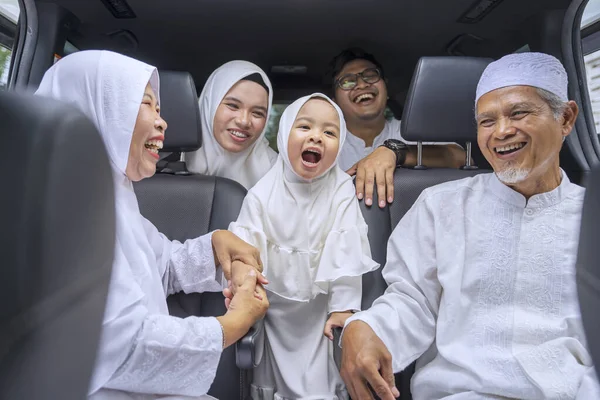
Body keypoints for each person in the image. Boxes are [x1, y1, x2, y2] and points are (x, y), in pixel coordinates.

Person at [339, 52, 600, 400]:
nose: (502, 131)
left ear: (565, 118)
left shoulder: (592, 217)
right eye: (486, 121)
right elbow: (411, 301)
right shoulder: (441, 205)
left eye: (518, 112)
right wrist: (364, 327)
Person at [35, 50, 269, 399]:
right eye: (145, 105)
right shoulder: (61, 210)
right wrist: (231, 325)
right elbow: (123, 346)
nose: (163, 123)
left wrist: (215, 245)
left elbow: (160, 266)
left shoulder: (112, 193)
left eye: (160, 109)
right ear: (100, 109)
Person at [228, 94, 379, 399]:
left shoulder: (340, 190)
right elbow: (245, 252)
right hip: (271, 313)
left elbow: (346, 253)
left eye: (329, 132)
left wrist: (343, 308)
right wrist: (247, 289)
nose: (316, 137)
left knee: (321, 383)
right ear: (284, 134)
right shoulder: (261, 194)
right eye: (305, 127)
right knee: (272, 384)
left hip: (320, 316)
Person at [330, 48, 467, 208]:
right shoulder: (327, 144)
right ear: (335, 102)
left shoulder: (413, 132)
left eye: (370, 75)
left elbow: (462, 158)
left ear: (386, 88)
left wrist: (396, 152)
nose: (361, 84)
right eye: (347, 81)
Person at [185, 60, 277, 189]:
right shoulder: (168, 157)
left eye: (257, 113)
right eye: (233, 106)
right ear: (209, 105)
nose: (244, 121)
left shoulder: (275, 171)